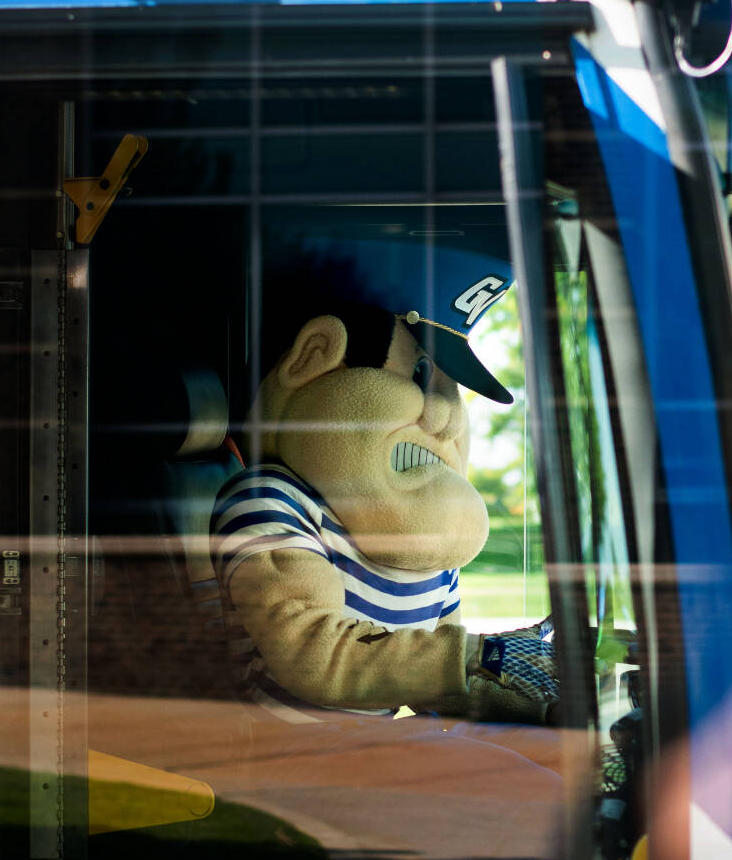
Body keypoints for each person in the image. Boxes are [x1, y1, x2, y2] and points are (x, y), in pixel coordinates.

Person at [210, 246, 554, 726]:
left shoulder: (425, 537)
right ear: (315, 355)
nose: (446, 416)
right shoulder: (269, 501)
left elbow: (432, 680)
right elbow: (311, 653)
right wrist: (478, 657)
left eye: (452, 390)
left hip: (370, 749)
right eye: (419, 374)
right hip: (284, 757)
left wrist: (528, 699)